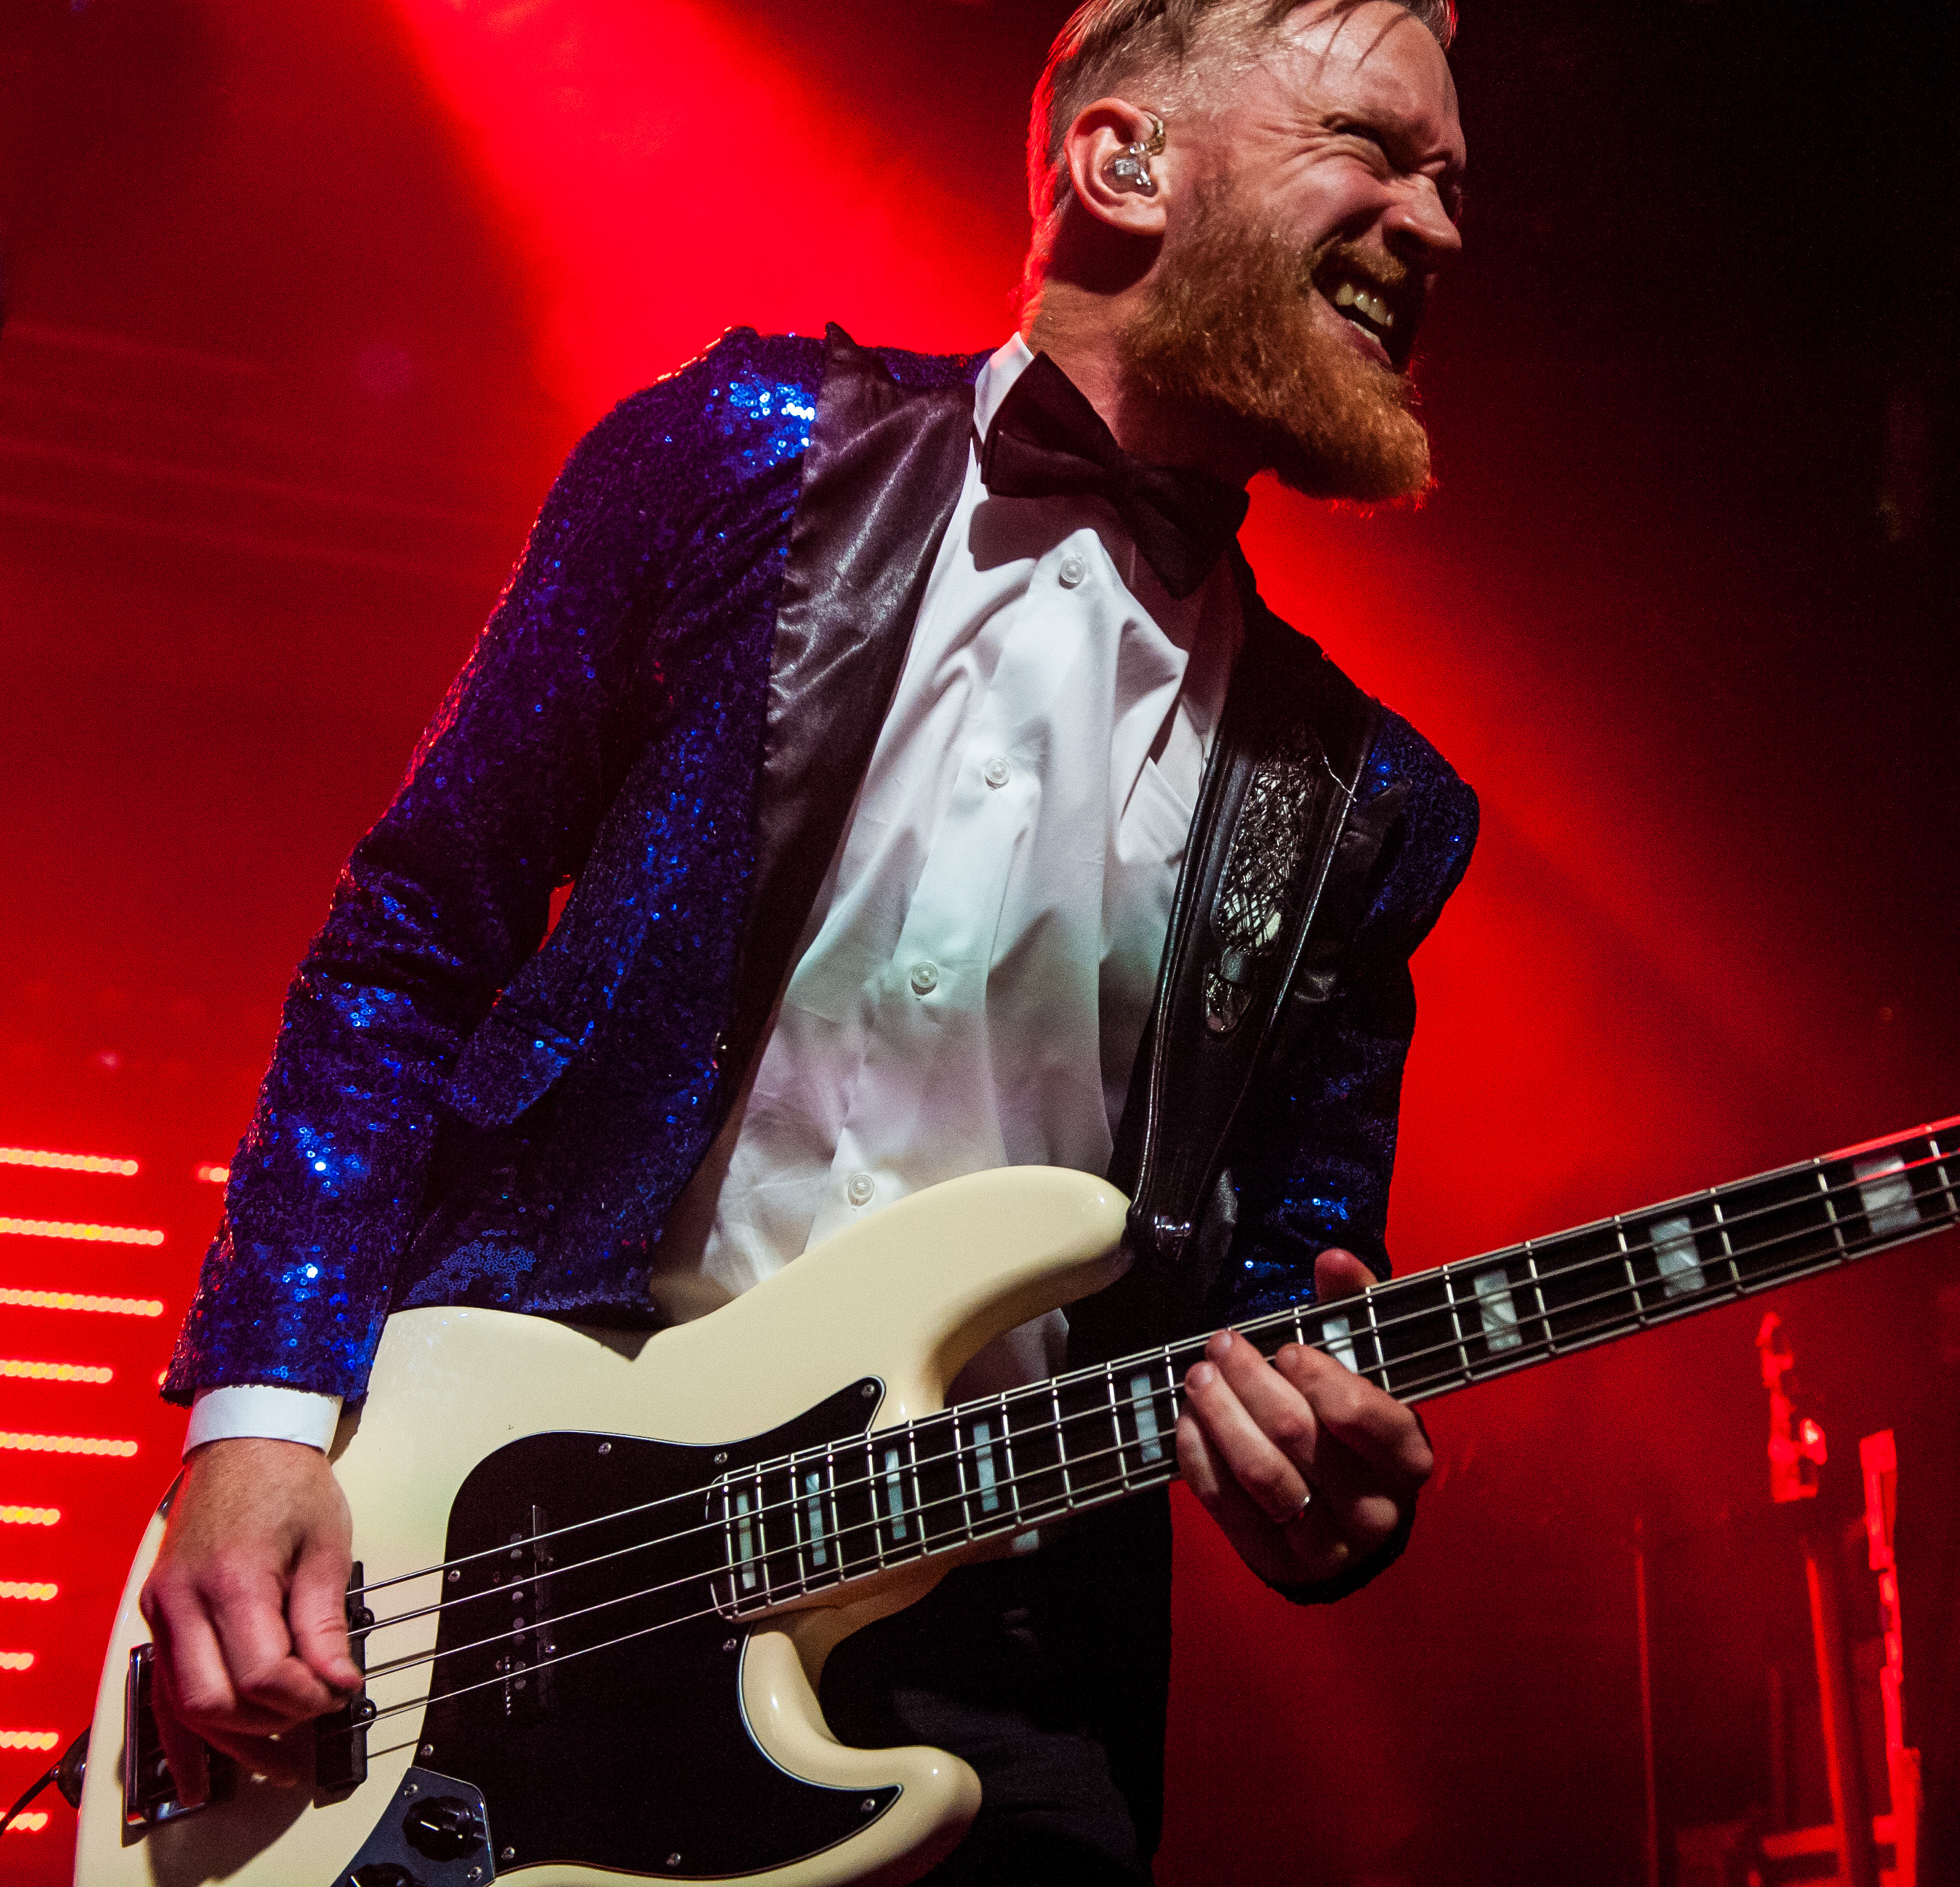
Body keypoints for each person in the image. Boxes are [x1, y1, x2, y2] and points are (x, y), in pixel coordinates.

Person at [138, 2, 1476, 1878]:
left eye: (1451, 184)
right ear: (1125, 163)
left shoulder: (1367, 801)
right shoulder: (737, 458)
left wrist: (1313, 1467)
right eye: (1375, 151)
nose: (1438, 228)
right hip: (524, 1570)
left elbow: (1284, 1272)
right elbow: (411, 942)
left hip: (1002, 1662)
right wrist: (264, 1414)